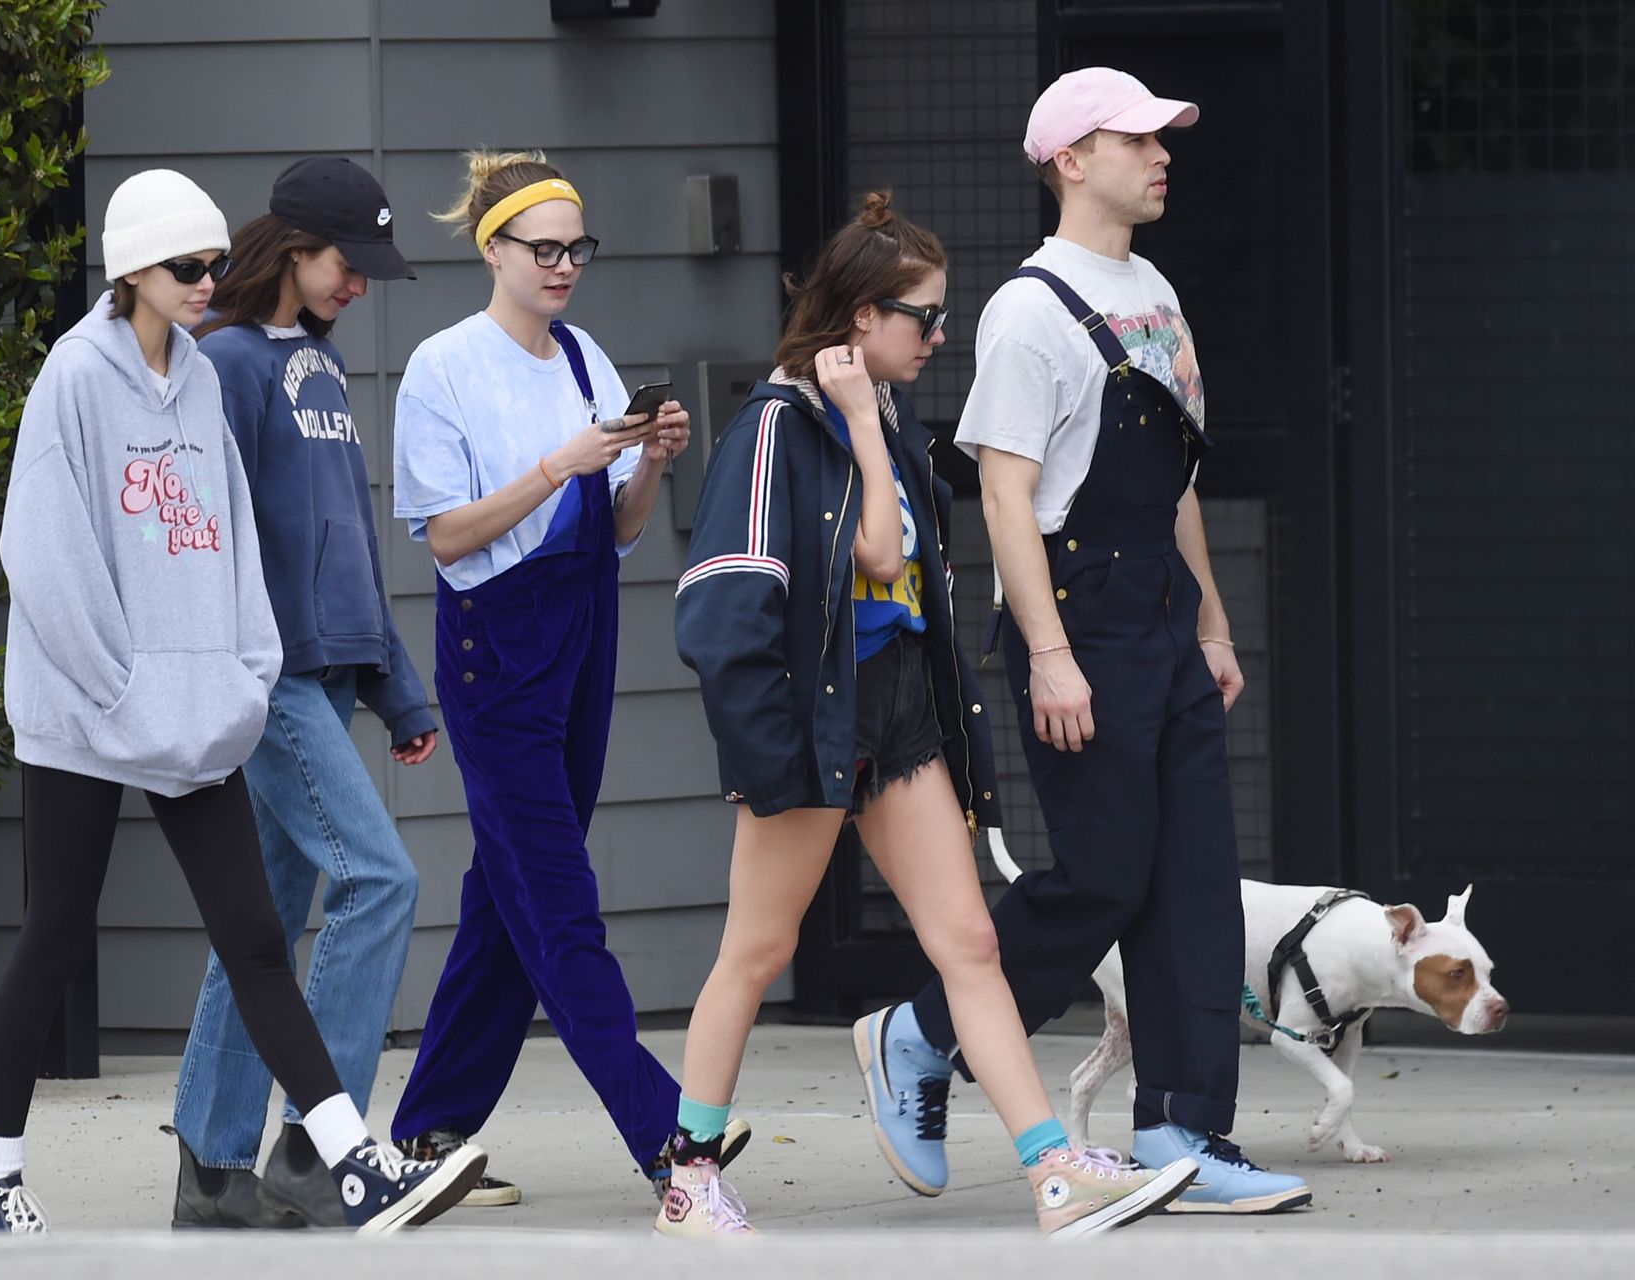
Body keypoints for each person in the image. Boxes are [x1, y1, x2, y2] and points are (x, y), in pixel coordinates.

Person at [666, 190, 1196, 1239]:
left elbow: (902, 571)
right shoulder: (780, 425)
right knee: (756, 948)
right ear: (860, 317)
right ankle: (688, 1173)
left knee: (970, 944)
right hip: (809, 722)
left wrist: (874, 424)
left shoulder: (887, 420)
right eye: (923, 315)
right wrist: (863, 424)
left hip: (895, 714)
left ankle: (1052, 1169)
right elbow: (763, 593)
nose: (939, 334)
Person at [0, 168, 484, 1234]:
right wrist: (119, 685)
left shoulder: (202, 377)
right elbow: (43, 552)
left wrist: (245, 673)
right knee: (54, 937)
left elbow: (233, 542)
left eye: (213, 263)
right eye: (186, 267)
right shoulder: (73, 377)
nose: (210, 280)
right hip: (83, 716)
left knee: (255, 938)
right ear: (131, 271)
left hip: (196, 714)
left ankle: (347, 1162)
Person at [852, 67, 1313, 1215]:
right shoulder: (1027, 309)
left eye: (1163, 139)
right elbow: (1006, 498)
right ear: (1070, 158)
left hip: (1157, 601)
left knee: (1195, 879)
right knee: (1106, 873)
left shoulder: (1152, 286)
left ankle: (1183, 1132)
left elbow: (1179, 476)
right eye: (1137, 138)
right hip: (1079, 611)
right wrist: (1049, 653)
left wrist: (1210, 615)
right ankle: (919, 1030)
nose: (1162, 155)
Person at [387, 149, 749, 1200]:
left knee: (511, 890)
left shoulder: (585, 356)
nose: (563, 268)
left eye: (576, 249)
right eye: (543, 249)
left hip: (582, 639)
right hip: (494, 650)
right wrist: (560, 465)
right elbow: (447, 538)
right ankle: (664, 1134)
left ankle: (430, 1128)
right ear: (491, 247)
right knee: (558, 899)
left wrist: (648, 463)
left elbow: (618, 531)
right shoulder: (442, 366)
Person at [167, 157, 444, 1228]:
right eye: (347, 263)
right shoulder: (223, 363)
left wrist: (398, 690)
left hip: (330, 680)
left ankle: (210, 1165)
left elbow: (350, 549)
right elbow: (199, 539)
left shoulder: (316, 368)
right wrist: (225, 671)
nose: (358, 284)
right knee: (382, 881)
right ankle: (314, 1144)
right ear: (290, 250)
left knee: (268, 920)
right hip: (267, 678)